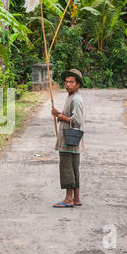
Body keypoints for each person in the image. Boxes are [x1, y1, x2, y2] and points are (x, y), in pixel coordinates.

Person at [52, 69, 85, 208]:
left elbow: (77, 121)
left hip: (69, 140)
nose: (68, 84)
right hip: (73, 141)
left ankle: (68, 199)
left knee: (67, 168)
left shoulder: (76, 99)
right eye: (66, 82)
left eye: (71, 82)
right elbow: (70, 116)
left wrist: (60, 116)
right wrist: (58, 113)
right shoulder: (71, 97)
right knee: (73, 168)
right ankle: (76, 198)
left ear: (78, 84)